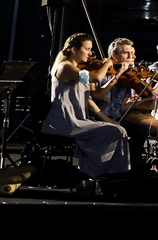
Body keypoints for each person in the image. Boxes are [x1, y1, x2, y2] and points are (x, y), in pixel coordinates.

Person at [41, 33, 130, 178]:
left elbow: (98, 96)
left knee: (119, 129)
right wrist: (107, 63)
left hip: (80, 120)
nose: (90, 54)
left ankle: (110, 174)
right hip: (66, 121)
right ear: (74, 50)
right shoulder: (65, 68)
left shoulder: (79, 71)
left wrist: (118, 74)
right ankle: (101, 173)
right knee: (115, 132)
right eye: (87, 49)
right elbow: (96, 77)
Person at [92, 37, 158, 168]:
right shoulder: (102, 73)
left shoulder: (128, 76)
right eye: (127, 53)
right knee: (145, 130)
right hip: (101, 117)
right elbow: (98, 96)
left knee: (150, 129)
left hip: (118, 116)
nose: (132, 57)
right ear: (114, 56)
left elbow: (123, 107)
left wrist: (145, 99)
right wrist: (117, 74)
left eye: (133, 53)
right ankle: (128, 165)